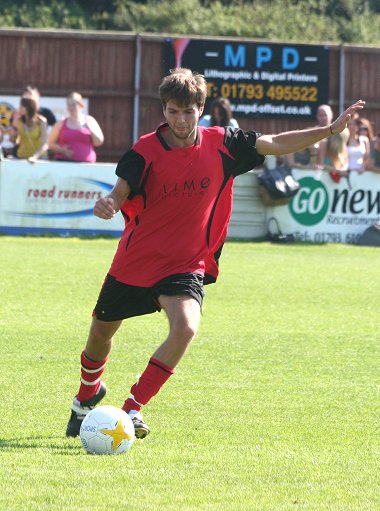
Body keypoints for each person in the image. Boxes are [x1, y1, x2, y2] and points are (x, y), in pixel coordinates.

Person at [65, 67, 365, 440]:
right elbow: (122, 187)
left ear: (201, 109)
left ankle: (132, 408)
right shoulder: (145, 149)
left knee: (187, 326)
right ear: (164, 111)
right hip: (136, 260)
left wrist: (328, 131)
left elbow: (275, 142)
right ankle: (85, 398)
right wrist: (110, 203)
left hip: (185, 264)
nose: (180, 119)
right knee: (99, 336)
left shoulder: (225, 143)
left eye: (188, 111)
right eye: (173, 111)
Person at [48, 92, 104, 162]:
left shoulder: (90, 121)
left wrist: (90, 129)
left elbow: (98, 142)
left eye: (73, 105)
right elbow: (50, 143)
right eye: (69, 105)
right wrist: (62, 150)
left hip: (87, 165)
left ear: (81, 105)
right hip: (64, 163)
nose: (71, 107)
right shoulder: (61, 123)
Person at [16, 96, 48, 163]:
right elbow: (16, 140)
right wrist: (13, 137)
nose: (19, 108)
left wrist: (35, 157)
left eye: (22, 106)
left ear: (29, 107)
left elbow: (44, 144)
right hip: (22, 157)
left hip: (39, 159)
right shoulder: (19, 120)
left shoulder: (41, 121)